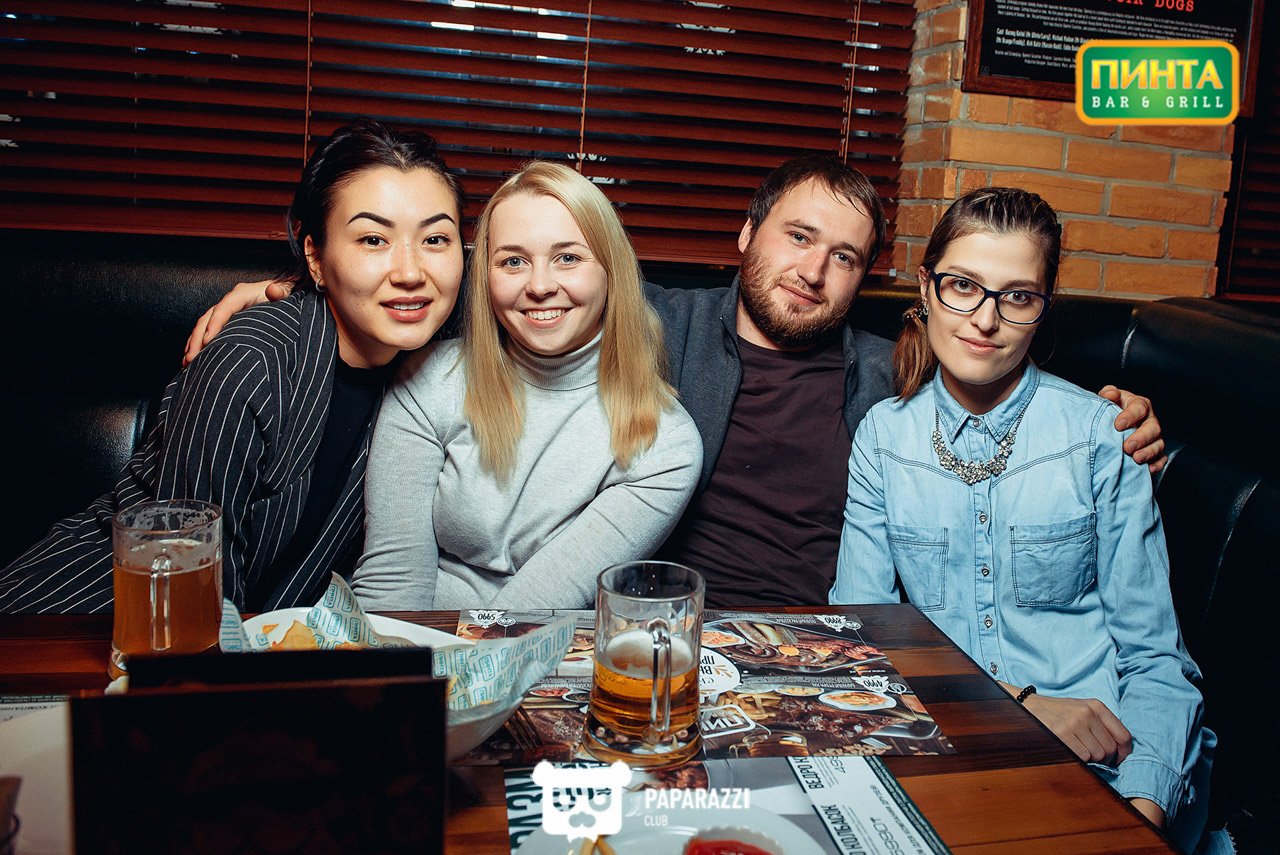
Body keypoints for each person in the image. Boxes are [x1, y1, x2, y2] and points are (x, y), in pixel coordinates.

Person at [184, 156, 1166, 609]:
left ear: (869, 277)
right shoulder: (654, 319)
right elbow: (523, 286)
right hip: (653, 628)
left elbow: (988, 341)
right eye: (796, 236)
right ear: (745, 234)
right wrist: (299, 293)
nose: (813, 270)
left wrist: (1108, 410)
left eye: (844, 256)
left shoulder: (887, 371)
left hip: (803, 648)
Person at [831, 188, 1220, 853]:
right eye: (962, 286)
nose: (985, 320)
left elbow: (1157, 660)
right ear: (926, 288)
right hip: (946, 747)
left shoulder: (1102, 436)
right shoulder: (884, 438)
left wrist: (1138, 819)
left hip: (1105, 765)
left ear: (1043, 308)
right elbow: (864, 636)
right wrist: (1017, 702)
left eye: (1016, 296)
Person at [0, 119, 466, 613]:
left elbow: (516, 294)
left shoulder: (430, 363)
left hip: (243, 636)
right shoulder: (251, 361)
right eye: (372, 240)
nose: (410, 271)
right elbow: (193, 581)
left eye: (435, 240)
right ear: (315, 255)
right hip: (85, 621)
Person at [350, 161, 701, 610]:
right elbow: (393, 581)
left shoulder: (666, 445)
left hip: (541, 642)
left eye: (568, 258)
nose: (539, 286)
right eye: (513, 261)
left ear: (610, 270)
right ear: (486, 275)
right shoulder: (429, 379)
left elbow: (536, 606)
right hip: (415, 637)